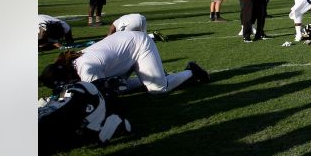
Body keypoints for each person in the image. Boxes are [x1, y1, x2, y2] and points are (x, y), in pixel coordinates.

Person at [39, 30, 208, 95]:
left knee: (158, 89)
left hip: (138, 45)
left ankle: (192, 71)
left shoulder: (86, 68)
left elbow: (98, 96)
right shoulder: (78, 63)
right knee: (120, 86)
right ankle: (153, 78)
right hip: (125, 46)